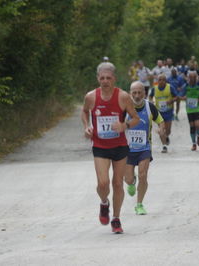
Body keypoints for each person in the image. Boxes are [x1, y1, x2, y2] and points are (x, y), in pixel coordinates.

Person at [81, 62, 140, 233]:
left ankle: (116, 218)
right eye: (102, 78)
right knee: (103, 183)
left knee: (117, 183)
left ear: (114, 79)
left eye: (108, 78)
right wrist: (86, 126)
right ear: (98, 79)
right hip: (100, 145)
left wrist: (125, 126)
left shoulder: (123, 97)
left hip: (120, 146)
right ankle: (104, 202)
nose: (105, 81)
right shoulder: (91, 97)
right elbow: (85, 111)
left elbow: (135, 118)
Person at [124, 81, 165, 215]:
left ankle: (139, 204)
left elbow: (161, 121)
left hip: (144, 148)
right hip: (127, 149)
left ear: (144, 93)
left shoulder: (150, 107)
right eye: (134, 92)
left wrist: (161, 129)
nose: (136, 95)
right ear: (130, 93)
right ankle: (131, 181)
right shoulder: (124, 107)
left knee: (143, 175)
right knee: (128, 179)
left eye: (139, 92)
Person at [149, 74, 176, 153]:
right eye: (160, 80)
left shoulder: (170, 87)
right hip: (159, 112)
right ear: (157, 81)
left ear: (166, 81)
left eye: (163, 80)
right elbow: (150, 96)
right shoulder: (154, 89)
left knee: (168, 130)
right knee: (162, 130)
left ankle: (166, 136)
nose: (161, 81)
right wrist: (151, 101)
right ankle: (164, 146)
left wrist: (171, 101)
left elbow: (176, 96)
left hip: (168, 111)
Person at [180, 72, 199, 151]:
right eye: (191, 77)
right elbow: (180, 95)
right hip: (189, 109)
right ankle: (194, 144)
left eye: (194, 77)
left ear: (196, 77)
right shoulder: (186, 86)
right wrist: (183, 98)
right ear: (188, 78)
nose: (192, 79)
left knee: (198, 124)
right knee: (192, 126)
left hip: (198, 108)